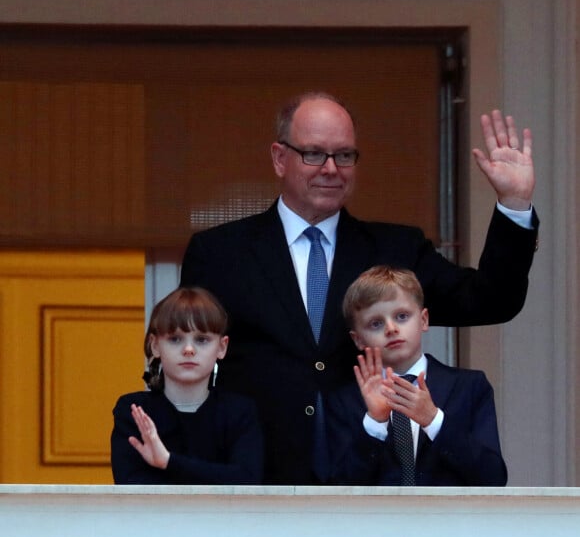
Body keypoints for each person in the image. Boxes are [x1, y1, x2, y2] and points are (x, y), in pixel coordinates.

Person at [179, 91, 538, 484]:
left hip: (368, 481)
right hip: (255, 477)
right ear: (280, 158)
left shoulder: (395, 248)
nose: (331, 168)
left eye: (344, 155)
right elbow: (185, 361)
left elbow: (489, 300)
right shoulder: (219, 253)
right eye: (314, 154)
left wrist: (514, 203)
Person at [327, 265, 506, 486]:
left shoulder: (469, 386)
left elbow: (493, 477)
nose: (391, 328)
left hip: (449, 519)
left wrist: (433, 419)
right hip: (377, 520)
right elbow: (338, 488)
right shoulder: (344, 400)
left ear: (423, 320)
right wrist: (375, 422)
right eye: (376, 323)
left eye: (402, 316)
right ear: (358, 340)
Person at [110, 286, 263, 484]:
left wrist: (168, 462)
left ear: (222, 347)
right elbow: (131, 486)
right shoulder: (134, 410)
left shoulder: (239, 412)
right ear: (155, 345)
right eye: (175, 339)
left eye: (202, 340)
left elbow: (246, 481)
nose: (189, 349)